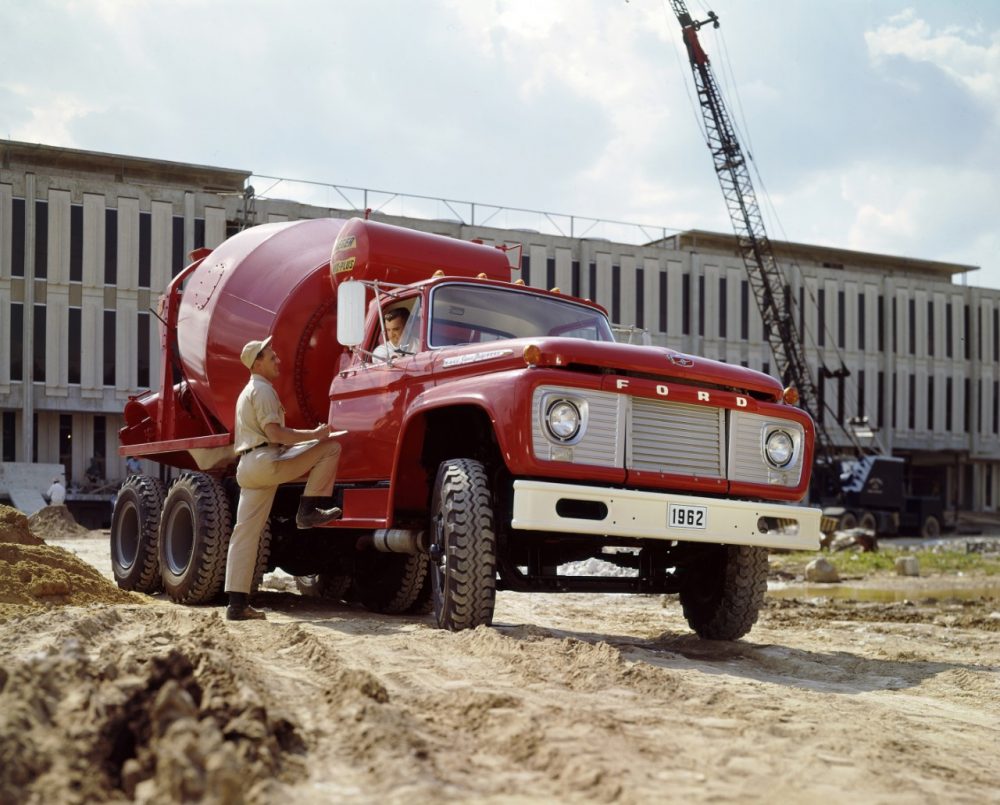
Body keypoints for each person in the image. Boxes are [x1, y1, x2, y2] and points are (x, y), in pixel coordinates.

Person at [224, 336, 344, 621]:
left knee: (244, 535)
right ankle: (308, 510)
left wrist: (303, 441)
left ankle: (236, 605)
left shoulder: (246, 391)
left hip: (248, 466)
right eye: (272, 357)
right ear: (258, 362)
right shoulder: (263, 391)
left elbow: (273, 438)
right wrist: (315, 435)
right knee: (330, 448)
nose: (278, 360)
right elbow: (276, 435)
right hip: (267, 462)